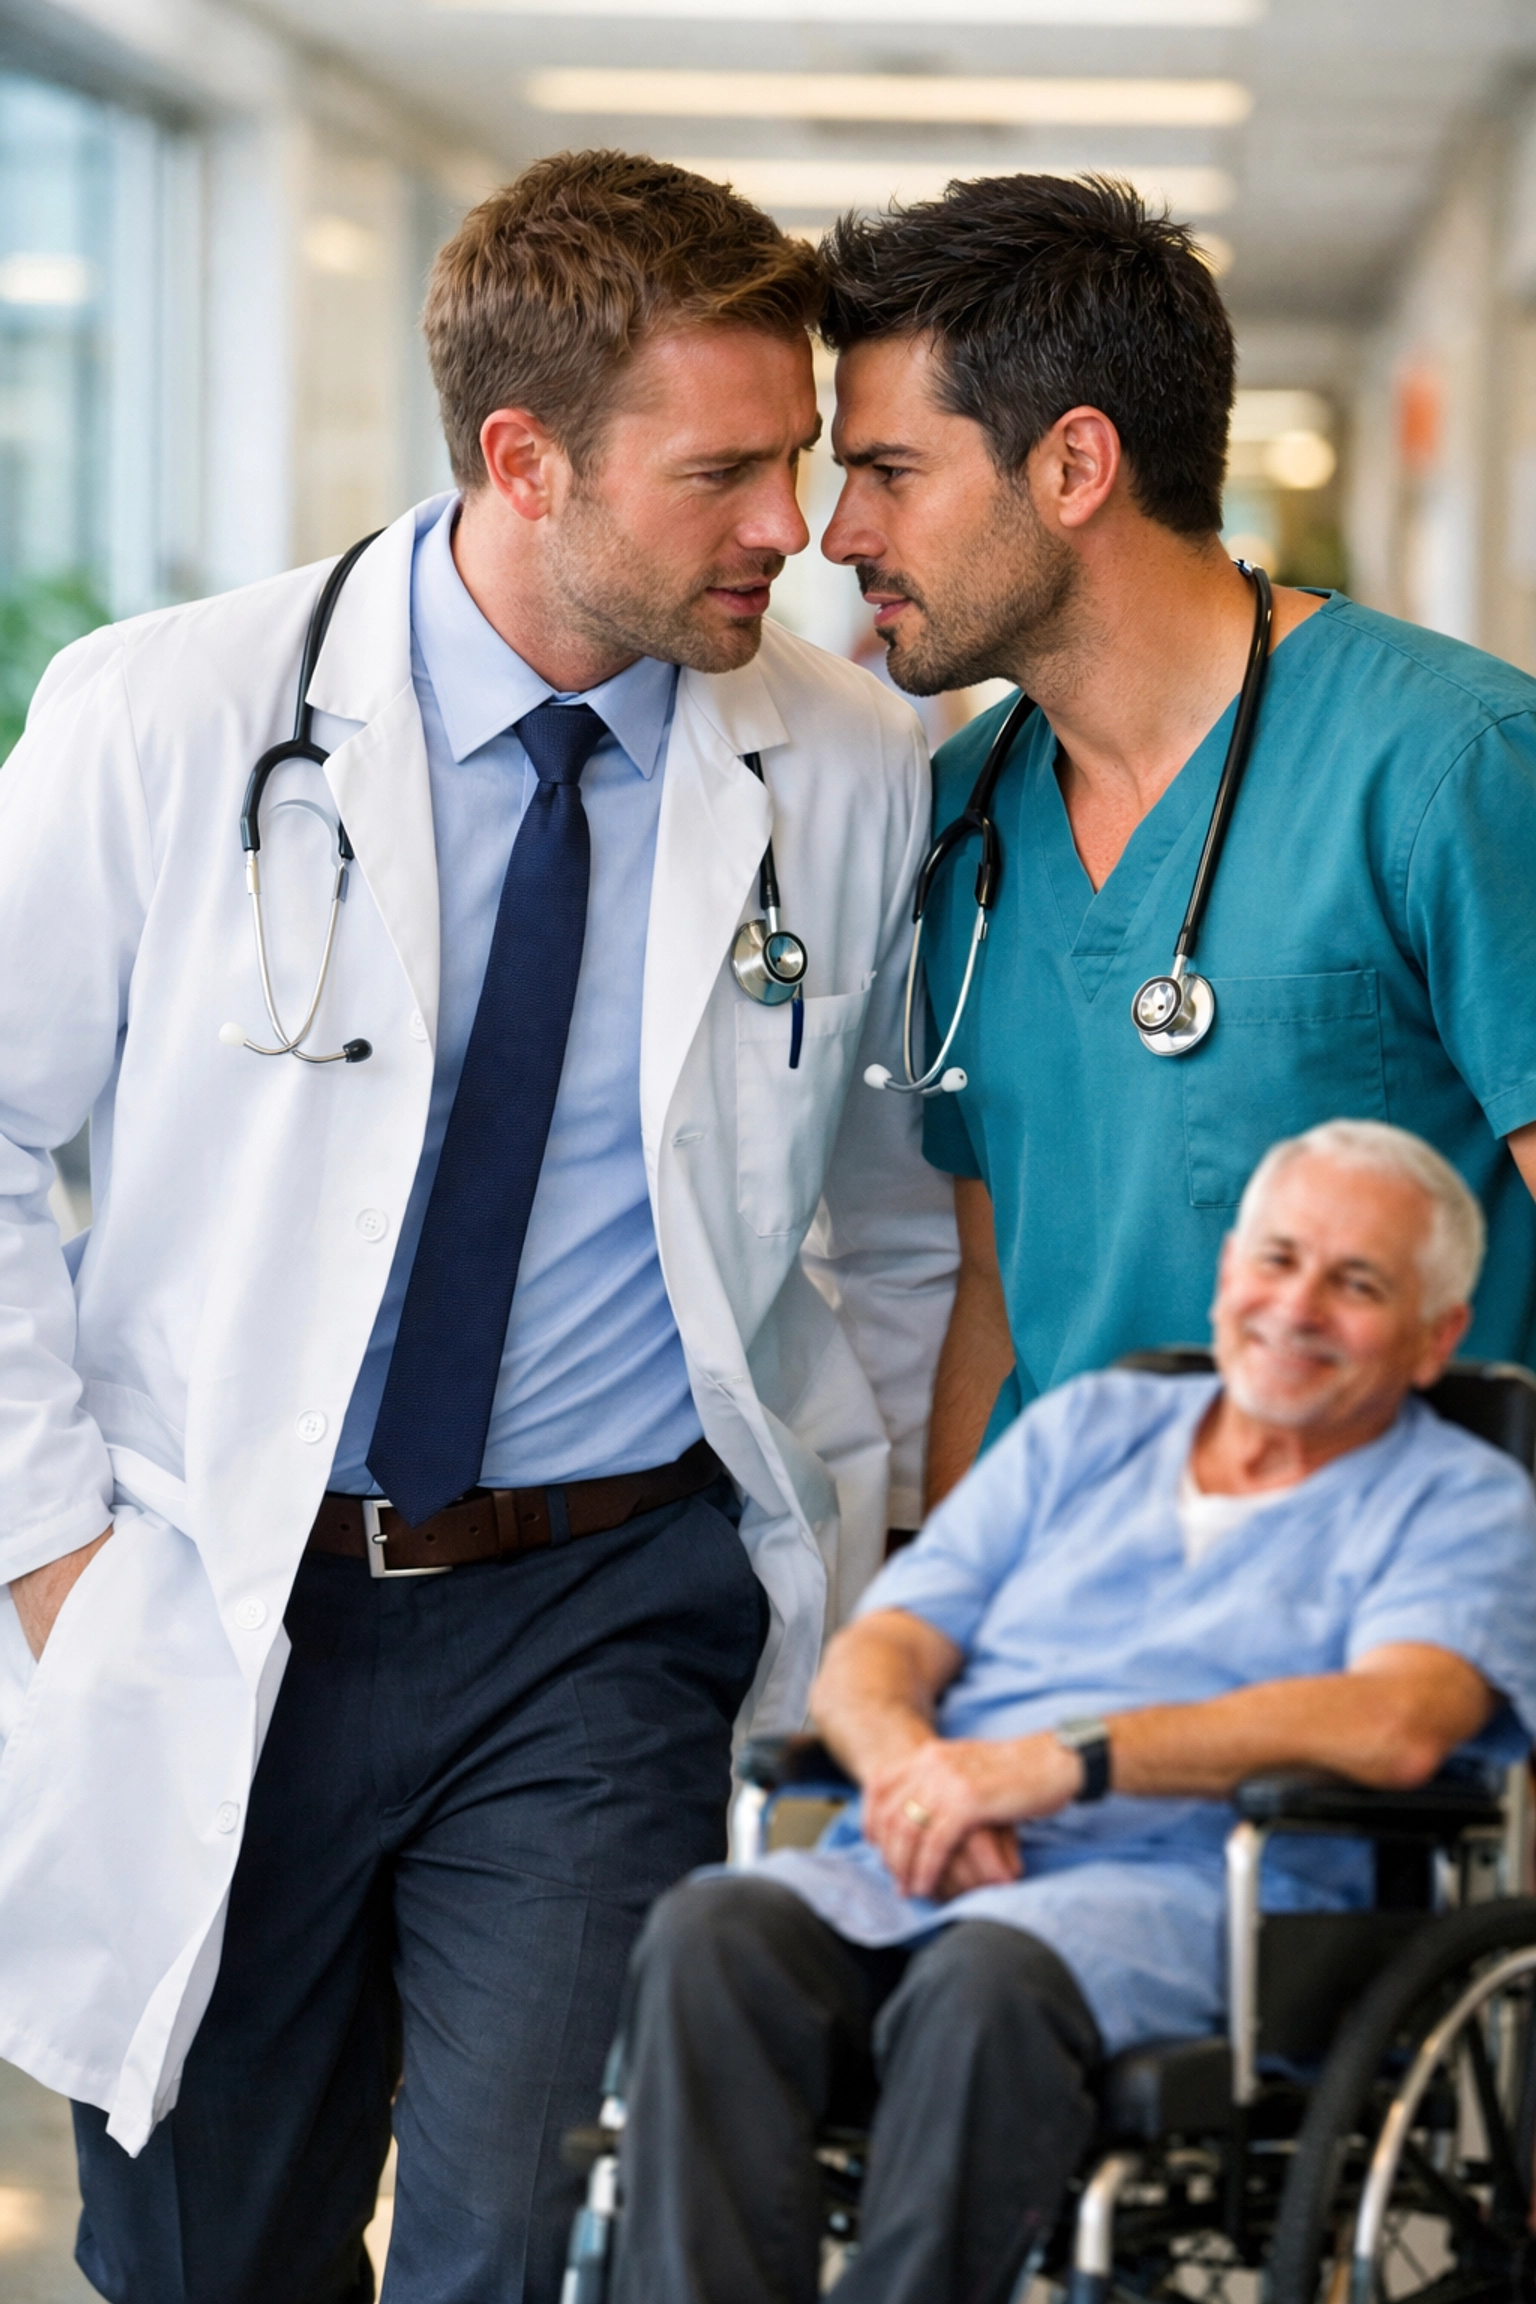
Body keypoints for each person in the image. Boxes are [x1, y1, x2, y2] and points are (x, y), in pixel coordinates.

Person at [0, 153, 956, 2304]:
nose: (789, 529)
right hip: (228, 1595)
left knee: (519, 2243)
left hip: (606, 1614)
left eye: (796, 458)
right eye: (726, 470)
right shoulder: (168, 718)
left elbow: (895, 1235)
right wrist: (58, 1551)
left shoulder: (842, 760)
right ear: (524, 462)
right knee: (203, 2257)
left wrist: (838, 1537)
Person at [612, 1120, 1536, 2304]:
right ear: (1226, 1275)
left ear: (1435, 1338)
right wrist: (915, 1781)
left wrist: (1064, 1765)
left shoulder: (1458, 1496)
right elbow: (880, 1649)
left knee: (986, 1979)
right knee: (713, 1932)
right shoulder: (1091, 1428)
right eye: (1278, 1258)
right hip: (927, 1854)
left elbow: (1399, 1719)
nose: (1297, 1306)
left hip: (1205, 1899)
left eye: (1357, 1283)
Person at [817, 173, 1536, 1504]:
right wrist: (950, 1613)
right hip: (1072, 1634)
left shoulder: (1452, 765)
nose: (839, 533)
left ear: (1075, 466)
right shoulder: (966, 818)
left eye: (891, 474)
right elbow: (997, 1288)